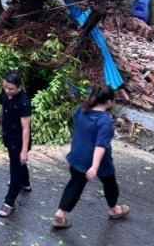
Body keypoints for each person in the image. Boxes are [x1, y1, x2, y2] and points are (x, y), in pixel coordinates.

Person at [52, 85, 131, 229]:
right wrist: (94, 166)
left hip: (77, 155)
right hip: (100, 162)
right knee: (110, 183)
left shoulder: (82, 110)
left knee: (75, 184)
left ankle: (61, 213)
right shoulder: (105, 121)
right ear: (109, 102)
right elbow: (100, 146)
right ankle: (113, 209)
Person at [0, 71, 32, 218]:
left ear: (19, 87)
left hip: (18, 140)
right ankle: (25, 183)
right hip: (8, 135)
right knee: (18, 164)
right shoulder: (5, 94)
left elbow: (26, 128)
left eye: (10, 88)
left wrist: (24, 150)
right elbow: (2, 106)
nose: (7, 90)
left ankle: (9, 202)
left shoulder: (23, 102)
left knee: (15, 169)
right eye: (5, 87)